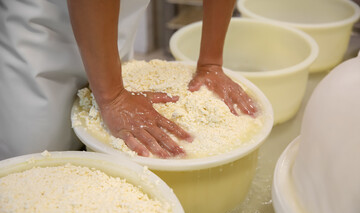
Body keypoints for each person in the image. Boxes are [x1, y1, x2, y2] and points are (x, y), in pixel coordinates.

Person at [0, 0, 256, 160]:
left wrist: (211, 61)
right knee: (38, 160)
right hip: (40, 30)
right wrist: (112, 97)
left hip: (112, 23)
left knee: (110, 153)